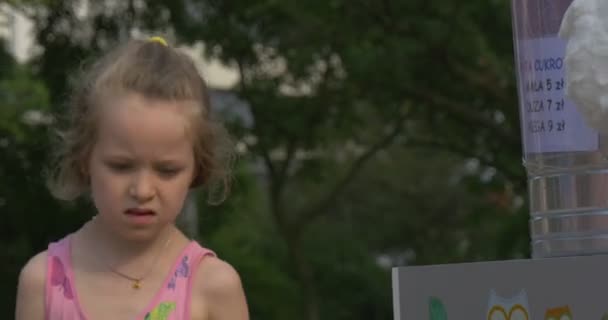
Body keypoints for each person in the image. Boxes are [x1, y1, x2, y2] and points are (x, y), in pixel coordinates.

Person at [15, 36, 249, 320]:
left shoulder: (213, 287)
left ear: (197, 169)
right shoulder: (42, 282)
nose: (142, 190)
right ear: (84, 159)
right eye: (121, 166)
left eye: (167, 171)